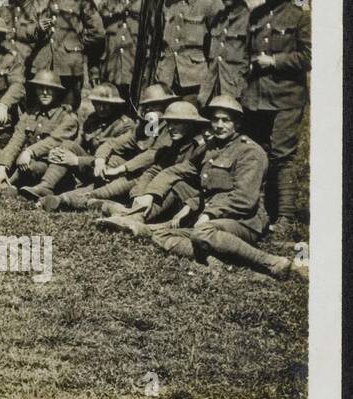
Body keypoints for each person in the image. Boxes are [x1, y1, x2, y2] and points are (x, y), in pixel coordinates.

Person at [95, 96, 305, 281]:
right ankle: (216, 259)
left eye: (226, 120)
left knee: (202, 232)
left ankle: (271, 262)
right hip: (212, 220)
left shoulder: (250, 152)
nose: (219, 125)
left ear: (237, 123)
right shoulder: (209, 148)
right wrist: (150, 194)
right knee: (162, 237)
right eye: (215, 119)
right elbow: (175, 171)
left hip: (244, 221)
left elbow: (244, 199)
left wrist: (208, 214)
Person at [242, 0, 311, 237]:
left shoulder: (300, 16)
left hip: (286, 98)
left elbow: (309, 57)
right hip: (257, 98)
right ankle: (258, 208)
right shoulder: (256, 15)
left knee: (283, 155)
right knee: (257, 152)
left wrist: (274, 60)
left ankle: (285, 217)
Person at [42, 83, 176, 212]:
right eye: (147, 107)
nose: (148, 111)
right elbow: (113, 143)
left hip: (150, 177)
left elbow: (151, 155)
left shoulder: (170, 128)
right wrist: (100, 159)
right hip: (133, 173)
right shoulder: (150, 125)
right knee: (105, 182)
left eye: (154, 106)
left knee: (105, 189)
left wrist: (121, 168)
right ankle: (57, 195)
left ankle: (66, 199)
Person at [16, 82, 134, 202]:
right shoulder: (92, 120)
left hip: (108, 172)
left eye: (107, 105)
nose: (102, 108)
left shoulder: (125, 125)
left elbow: (117, 161)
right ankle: (45, 186)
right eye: (98, 104)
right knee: (67, 145)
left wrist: (76, 161)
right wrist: (59, 151)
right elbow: (78, 144)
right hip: (89, 168)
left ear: (115, 104)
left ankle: (62, 196)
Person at [23, 0, 102, 109]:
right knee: (41, 111)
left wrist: (77, 43)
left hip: (69, 67)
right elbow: (27, 28)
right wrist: (38, 27)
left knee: (68, 110)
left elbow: (98, 32)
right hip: (43, 64)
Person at [0, 70, 80, 192]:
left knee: (32, 167)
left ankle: (17, 186)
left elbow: (54, 140)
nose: (44, 93)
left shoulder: (67, 117)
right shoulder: (29, 114)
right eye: (40, 88)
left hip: (54, 168)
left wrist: (30, 152)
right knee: (0, 160)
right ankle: (9, 185)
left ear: (57, 91)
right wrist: (3, 165)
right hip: (28, 163)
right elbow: (17, 140)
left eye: (49, 89)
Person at [157, 0, 221, 97]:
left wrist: (206, 90)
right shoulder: (170, 1)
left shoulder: (209, 3)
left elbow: (215, 52)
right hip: (168, 80)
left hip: (194, 82)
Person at [199, 0, 252, 105]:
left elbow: (252, 59)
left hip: (236, 91)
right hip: (212, 87)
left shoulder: (250, 20)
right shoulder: (217, 19)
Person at [99, 0, 145, 99]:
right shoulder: (106, 3)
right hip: (111, 71)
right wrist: (94, 70)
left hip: (137, 72)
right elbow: (97, 40)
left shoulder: (147, 3)